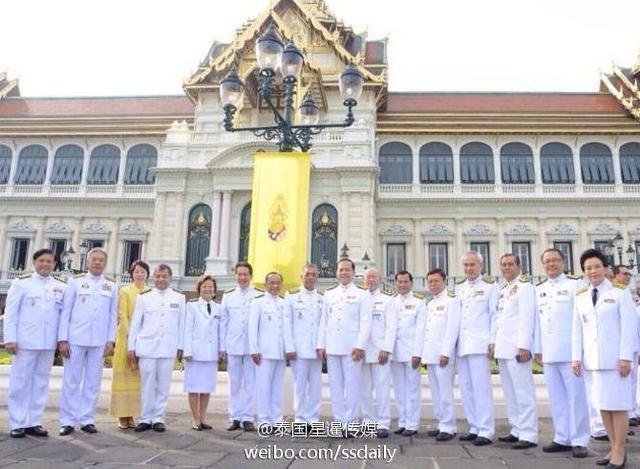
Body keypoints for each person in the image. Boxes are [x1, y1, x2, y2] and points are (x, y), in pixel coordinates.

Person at [572, 249, 636, 468]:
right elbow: (577, 329)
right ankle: (613, 448)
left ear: (606, 268)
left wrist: (626, 357)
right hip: (592, 360)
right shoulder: (580, 296)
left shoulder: (619, 293)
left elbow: (629, 329)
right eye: (588, 268)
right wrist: (575, 357)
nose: (593, 271)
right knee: (603, 406)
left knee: (618, 406)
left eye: (597, 266)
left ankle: (619, 451)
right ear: (584, 271)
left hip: (616, 360)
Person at [4, 248, 66, 438]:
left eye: (49, 261)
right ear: (34, 262)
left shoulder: (60, 286)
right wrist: (10, 338)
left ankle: (34, 421)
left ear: (54, 264)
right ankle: (17, 422)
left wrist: (59, 339)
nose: (46, 264)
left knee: (40, 383)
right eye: (42, 261)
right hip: (25, 341)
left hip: (47, 343)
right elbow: (11, 314)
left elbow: (62, 316)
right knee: (20, 382)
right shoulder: (21, 284)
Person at [534, 248, 589, 458]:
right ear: (543, 264)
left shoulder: (576, 285)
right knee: (556, 397)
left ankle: (580, 439)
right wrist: (538, 347)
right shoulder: (539, 289)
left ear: (563, 262)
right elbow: (538, 322)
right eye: (547, 261)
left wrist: (579, 352)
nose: (551, 264)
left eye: (555, 260)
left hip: (570, 351)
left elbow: (581, 320)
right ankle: (562, 436)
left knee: (576, 397)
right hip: (549, 351)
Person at [58, 247, 117, 436]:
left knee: (93, 381)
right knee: (71, 380)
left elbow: (112, 315)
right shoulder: (75, 282)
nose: (97, 263)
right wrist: (62, 339)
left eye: (101, 260)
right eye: (94, 260)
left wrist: (110, 339)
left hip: (98, 340)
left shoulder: (111, 285)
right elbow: (65, 312)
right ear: (88, 262)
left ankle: (87, 419)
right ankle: (67, 420)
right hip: (76, 338)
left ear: (105, 263)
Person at [128, 264, 185, 432]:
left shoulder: (179, 297)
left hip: (167, 346)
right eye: (158, 276)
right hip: (147, 346)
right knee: (147, 384)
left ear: (170, 278)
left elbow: (182, 323)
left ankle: (159, 417)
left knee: (163, 385)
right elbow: (136, 324)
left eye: (164, 276)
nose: (161, 279)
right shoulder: (144, 297)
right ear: (153, 278)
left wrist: (181, 347)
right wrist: (132, 347)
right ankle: (145, 418)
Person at [317, 258, 370, 435]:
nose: (344, 273)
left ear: (353, 272)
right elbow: (323, 321)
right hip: (332, 347)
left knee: (353, 386)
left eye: (347, 270)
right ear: (336, 272)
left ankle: (352, 423)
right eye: (341, 270)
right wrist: (321, 345)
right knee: (335, 386)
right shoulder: (329, 294)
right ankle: (339, 422)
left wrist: (360, 346)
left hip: (352, 348)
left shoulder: (363, 294)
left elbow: (365, 322)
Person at [491, 254, 538, 449]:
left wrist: (524, 345)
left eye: (511, 264)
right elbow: (499, 319)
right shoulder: (505, 289)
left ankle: (528, 434)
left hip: (517, 347)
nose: (507, 268)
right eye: (504, 265)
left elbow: (527, 318)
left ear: (519, 266)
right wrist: (493, 343)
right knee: (510, 392)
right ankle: (517, 428)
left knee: (523, 391)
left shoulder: (525, 287)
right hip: (503, 347)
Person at [454, 251, 498, 446]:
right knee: (466, 388)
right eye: (466, 265)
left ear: (481, 266)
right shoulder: (458, 288)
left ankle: (486, 430)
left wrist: (492, 340)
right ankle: (473, 426)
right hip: (462, 344)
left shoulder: (490, 287)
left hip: (480, 344)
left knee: (481, 388)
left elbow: (494, 315)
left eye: (472, 265)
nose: (469, 268)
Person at [416, 268, 461, 442]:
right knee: (435, 392)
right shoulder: (431, 303)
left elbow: (452, 329)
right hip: (430, 354)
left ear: (444, 281)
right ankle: (442, 423)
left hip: (443, 355)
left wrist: (446, 352)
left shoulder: (452, 301)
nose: (433, 284)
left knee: (445, 392)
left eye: (436, 281)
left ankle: (449, 427)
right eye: (430, 282)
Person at [220, 261, 263, 432]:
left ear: (251, 276)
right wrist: (222, 347)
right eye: (240, 274)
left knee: (250, 383)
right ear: (235, 276)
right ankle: (234, 417)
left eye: (245, 274)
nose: (242, 277)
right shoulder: (228, 295)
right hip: (234, 345)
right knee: (234, 383)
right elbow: (223, 322)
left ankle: (247, 417)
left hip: (252, 348)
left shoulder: (259, 295)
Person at [249, 272, 295, 430]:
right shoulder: (258, 302)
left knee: (277, 387)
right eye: (271, 283)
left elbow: (287, 328)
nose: (274, 286)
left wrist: (288, 349)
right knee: (263, 387)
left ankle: (277, 419)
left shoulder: (284, 302)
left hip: (280, 352)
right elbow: (252, 328)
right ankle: (263, 420)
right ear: (265, 284)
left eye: (277, 283)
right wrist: (254, 349)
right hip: (264, 352)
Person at [109, 260, 150, 429]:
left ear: (147, 274)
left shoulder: (150, 292)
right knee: (123, 377)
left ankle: (132, 414)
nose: (139, 274)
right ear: (131, 274)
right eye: (136, 271)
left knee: (137, 380)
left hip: (144, 340)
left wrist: (142, 337)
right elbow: (123, 316)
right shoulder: (125, 291)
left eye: (142, 271)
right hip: (126, 339)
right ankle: (121, 415)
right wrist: (130, 336)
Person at [360, 268, 398, 438]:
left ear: (379, 279)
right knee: (364, 390)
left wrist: (387, 349)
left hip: (380, 351)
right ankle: (369, 421)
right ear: (363, 280)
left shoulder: (387, 300)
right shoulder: (359, 298)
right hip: (361, 351)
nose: (371, 280)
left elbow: (391, 327)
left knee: (382, 389)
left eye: (374, 277)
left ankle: (383, 423)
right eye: (368, 277)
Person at [284, 263, 323, 426]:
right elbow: (287, 323)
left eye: (313, 274)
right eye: (307, 274)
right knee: (299, 385)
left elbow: (324, 325)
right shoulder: (291, 296)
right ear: (302, 277)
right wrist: (289, 347)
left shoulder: (322, 298)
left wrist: (322, 345)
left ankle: (313, 418)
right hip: (298, 349)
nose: (311, 277)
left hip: (316, 349)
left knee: (315, 385)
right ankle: (300, 418)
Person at [183, 275, 224, 430]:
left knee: (206, 387)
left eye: (210, 287)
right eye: (205, 286)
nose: (208, 289)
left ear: (214, 291)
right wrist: (187, 350)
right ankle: (195, 419)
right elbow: (187, 329)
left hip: (211, 352)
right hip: (195, 353)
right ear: (199, 289)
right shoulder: (192, 306)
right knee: (193, 387)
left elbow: (221, 331)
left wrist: (221, 350)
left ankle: (202, 417)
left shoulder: (218, 307)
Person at [391, 270, 426, 437]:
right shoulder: (392, 301)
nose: (403, 285)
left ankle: (412, 424)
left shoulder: (419, 302)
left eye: (406, 282)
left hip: (412, 352)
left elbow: (421, 330)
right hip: (396, 353)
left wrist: (417, 353)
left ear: (411, 283)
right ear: (395, 283)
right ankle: (403, 421)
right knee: (399, 390)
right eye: (400, 282)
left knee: (412, 390)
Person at [612, 265, 640, 427]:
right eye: (625, 274)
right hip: (620, 349)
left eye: (629, 274)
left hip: (633, 346)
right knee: (623, 382)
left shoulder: (627, 294)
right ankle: (626, 414)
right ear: (616, 275)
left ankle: (632, 411)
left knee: (632, 381)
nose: (628, 277)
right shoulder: (615, 293)